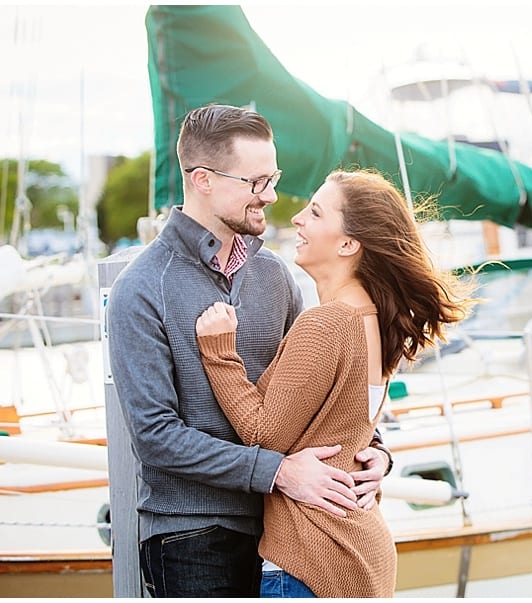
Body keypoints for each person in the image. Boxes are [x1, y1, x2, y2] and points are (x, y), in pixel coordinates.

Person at [107, 104, 393, 598]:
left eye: (273, 177)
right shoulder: (141, 289)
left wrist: (375, 453)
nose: (272, 196)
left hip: (287, 533)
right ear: (203, 180)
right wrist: (279, 473)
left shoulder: (276, 276)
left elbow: (314, 394)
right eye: (256, 182)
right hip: (192, 535)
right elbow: (155, 435)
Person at [195, 168, 476, 597]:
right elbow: (348, 426)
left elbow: (261, 434)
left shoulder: (327, 324)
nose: (298, 221)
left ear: (347, 244)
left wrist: (219, 353)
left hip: (314, 559)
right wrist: (379, 454)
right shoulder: (375, 321)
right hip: (359, 550)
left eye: (315, 212)